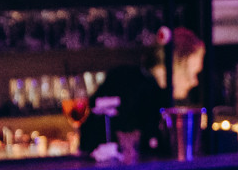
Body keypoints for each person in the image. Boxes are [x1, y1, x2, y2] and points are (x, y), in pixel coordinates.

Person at [80, 26, 205, 155]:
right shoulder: (128, 86)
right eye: (192, 74)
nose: (195, 82)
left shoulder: (154, 93)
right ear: (169, 68)